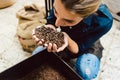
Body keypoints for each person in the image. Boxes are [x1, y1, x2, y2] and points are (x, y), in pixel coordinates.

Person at [32, 0, 113, 79]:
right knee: (36, 54)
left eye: (68, 20)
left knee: (85, 73)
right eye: (56, 11)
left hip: (87, 43)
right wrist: (50, 28)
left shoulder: (104, 20)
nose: (57, 23)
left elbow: (79, 48)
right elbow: (53, 22)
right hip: (64, 35)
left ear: (87, 15)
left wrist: (67, 39)